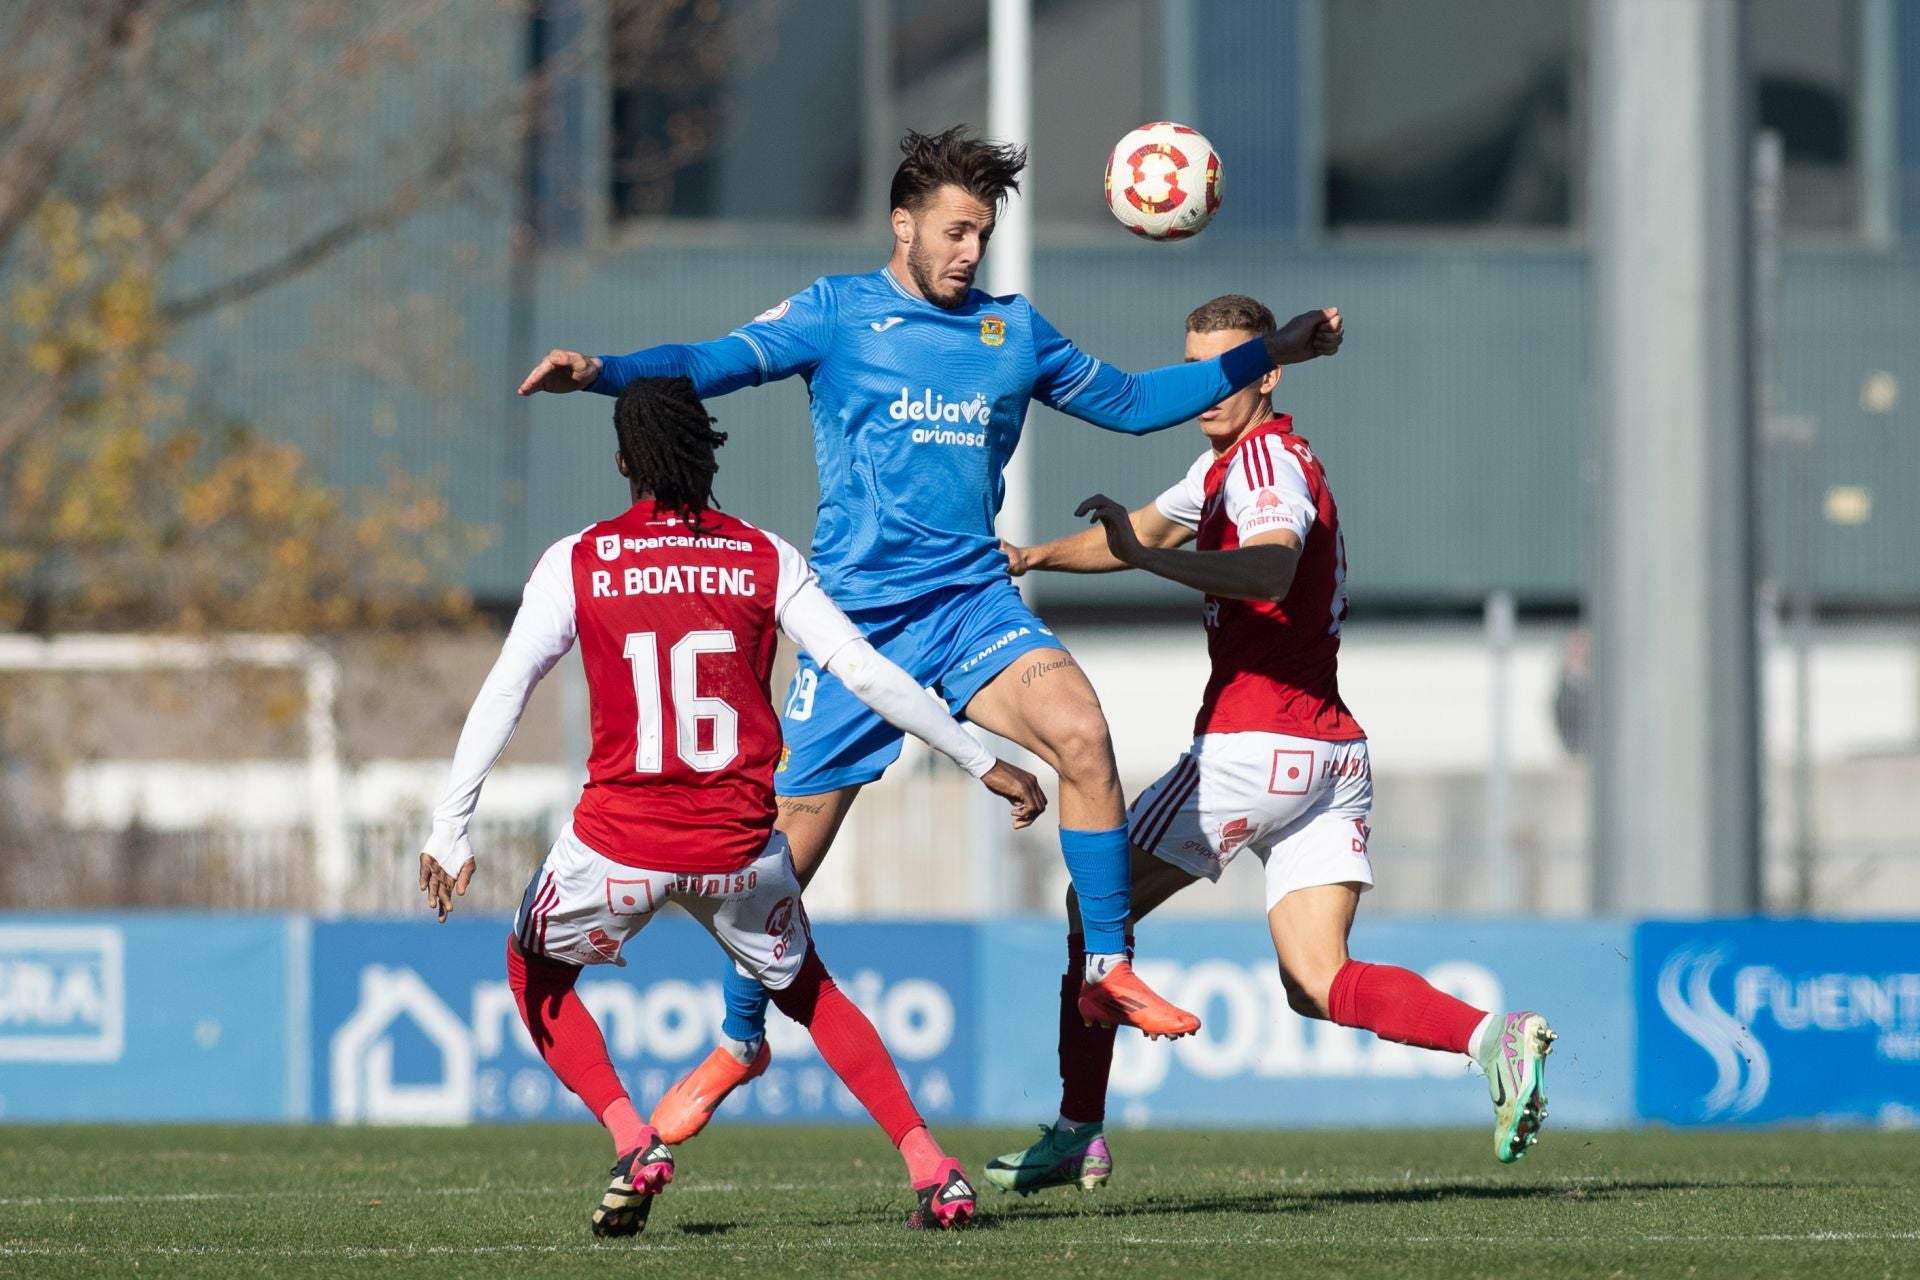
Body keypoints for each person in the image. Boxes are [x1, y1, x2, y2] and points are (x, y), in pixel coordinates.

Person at [517, 126, 1345, 1142]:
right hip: (857, 618)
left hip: (970, 604)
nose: (970, 253)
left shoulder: (1013, 330)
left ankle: (1108, 965)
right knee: (773, 860)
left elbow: (1133, 405)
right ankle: (740, 1039)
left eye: (983, 235)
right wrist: (603, 370)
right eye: (955, 231)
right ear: (902, 224)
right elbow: (714, 363)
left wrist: (1278, 349)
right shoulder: (836, 313)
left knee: (1082, 733)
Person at [418, 377, 1048, 1235]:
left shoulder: (578, 559)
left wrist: (450, 827)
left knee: (534, 970)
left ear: (621, 463)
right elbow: (863, 671)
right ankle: (932, 1169)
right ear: (709, 455)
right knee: (813, 995)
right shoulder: (764, 556)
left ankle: (632, 1137)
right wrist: (982, 759)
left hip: (618, 845)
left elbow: (506, 690)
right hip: (737, 846)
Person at [986, 294, 1556, 1195]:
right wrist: (1034, 557)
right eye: (1203, 370)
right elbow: (1144, 527)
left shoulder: (1263, 468)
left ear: (1271, 375)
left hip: (1252, 746)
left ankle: (1078, 1128)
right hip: (1332, 756)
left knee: (1088, 904)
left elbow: (1268, 565)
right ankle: (1494, 1037)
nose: (1213, 390)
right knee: (1317, 980)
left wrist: (1146, 559)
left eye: (1235, 370)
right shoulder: (1228, 464)